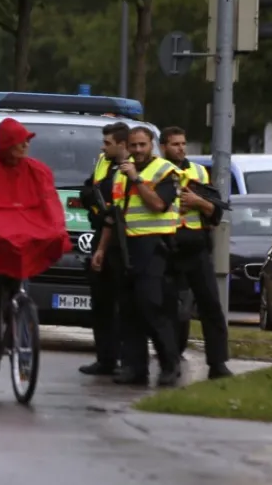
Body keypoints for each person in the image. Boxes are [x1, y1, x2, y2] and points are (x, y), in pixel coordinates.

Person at [0, 118, 70, 334]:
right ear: (7, 144)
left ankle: (12, 317)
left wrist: (57, 228)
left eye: (27, 141)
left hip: (21, 234)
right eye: (20, 141)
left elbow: (49, 202)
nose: (26, 146)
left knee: (16, 275)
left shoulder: (38, 172)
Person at [92, 126, 180, 387]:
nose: (138, 150)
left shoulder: (165, 171)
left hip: (154, 247)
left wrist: (138, 180)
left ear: (152, 144)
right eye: (134, 146)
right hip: (125, 245)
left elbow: (157, 204)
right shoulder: (121, 175)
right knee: (128, 310)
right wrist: (101, 249)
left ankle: (169, 364)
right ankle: (134, 367)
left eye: (143, 145)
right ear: (127, 147)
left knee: (151, 306)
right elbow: (113, 215)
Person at [160, 127, 232, 380]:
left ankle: (218, 364)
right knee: (170, 309)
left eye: (183, 143)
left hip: (196, 246)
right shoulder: (156, 171)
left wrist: (198, 202)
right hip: (167, 246)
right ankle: (171, 362)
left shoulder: (199, 172)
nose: (181, 148)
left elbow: (216, 211)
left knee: (210, 305)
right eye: (175, 144)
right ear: (163, 147)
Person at [77, 122, 129, 376]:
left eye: (108, 143)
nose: (103, 146)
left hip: (125, 241)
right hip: (101, 235)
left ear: (122, 144)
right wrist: (91, 196)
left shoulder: (132, 168)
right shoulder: (102, 162)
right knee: (101, 303)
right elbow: (88, 187)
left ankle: (125, 360)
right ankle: (105, 359)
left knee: (124, 305)